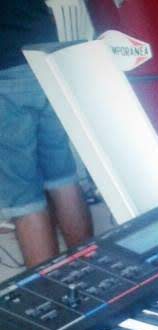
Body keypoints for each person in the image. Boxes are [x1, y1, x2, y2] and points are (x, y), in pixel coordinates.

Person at [1, 0, 93, 268]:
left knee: (25, 201)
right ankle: (92, 273)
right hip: (44, 58)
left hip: (5, 69)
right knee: (63, 178)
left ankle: (50, 289)